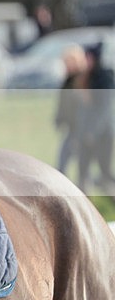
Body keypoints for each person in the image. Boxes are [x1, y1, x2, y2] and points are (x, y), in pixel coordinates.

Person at [77, 41, 115, 194]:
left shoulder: (105, 78)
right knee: (83, 171)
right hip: (86, 133)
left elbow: (103, 110)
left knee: (104, 172)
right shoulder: (87, 77)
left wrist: (92, 132)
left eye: (87, 57)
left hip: (102, 134)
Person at [55, 44, 88, 176]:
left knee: (84, 168)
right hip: (72, 129)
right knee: (62, 163)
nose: (67, 65)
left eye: (70, 61)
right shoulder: (67, 80)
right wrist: (59, 119)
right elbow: (63, 103)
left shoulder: (84, 80)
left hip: (83, 130)